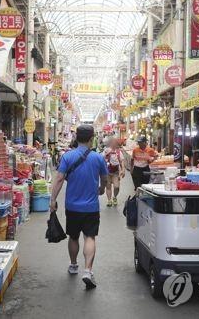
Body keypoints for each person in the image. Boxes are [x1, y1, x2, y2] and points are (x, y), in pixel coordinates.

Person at [50, 124, 108, 289]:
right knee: (90, 237)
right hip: (91, 207)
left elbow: (60, 179)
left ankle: (74, 265)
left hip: (72, 206)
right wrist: (102, 189)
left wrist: (53, 199)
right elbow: (104, 179)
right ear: (91, 139)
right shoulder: (98, 158)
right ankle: (88, 271)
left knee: (73, 237)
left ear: (76, 138)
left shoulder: (68, 157)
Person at [102, 137, 125, 207]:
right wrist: (106, 155)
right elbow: (102, 160)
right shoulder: (106, 151)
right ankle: (109, 200)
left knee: (116, 186)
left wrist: (123, 170)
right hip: (107, 171)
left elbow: (122, 161)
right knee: (108, 186)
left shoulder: (118, 152)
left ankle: (115, 197)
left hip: (116, 172)